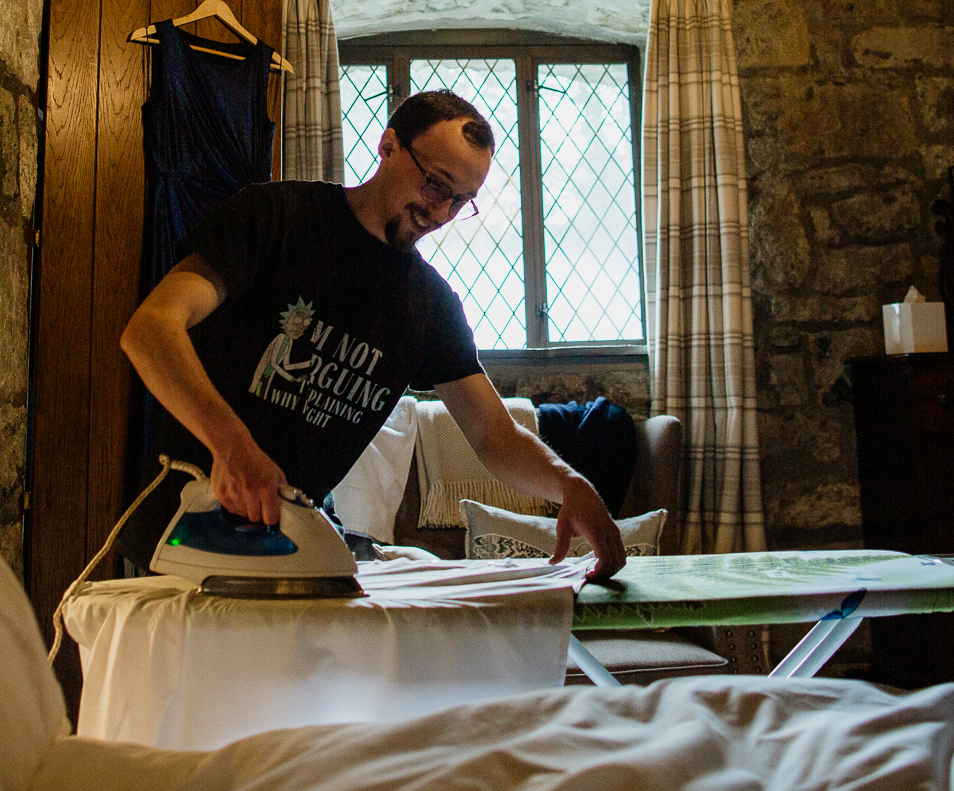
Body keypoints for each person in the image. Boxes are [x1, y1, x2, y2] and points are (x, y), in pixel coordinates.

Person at [116, 89, 628, 580]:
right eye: (435, 184)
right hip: (180, 526)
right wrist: (231, 445)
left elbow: (494, 436)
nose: (440, 212)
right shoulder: (276, 218)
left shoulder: (430, 306)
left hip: (286, 542)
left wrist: (570, 485)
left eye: (460, 201)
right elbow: (151, 329)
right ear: (387, 146)